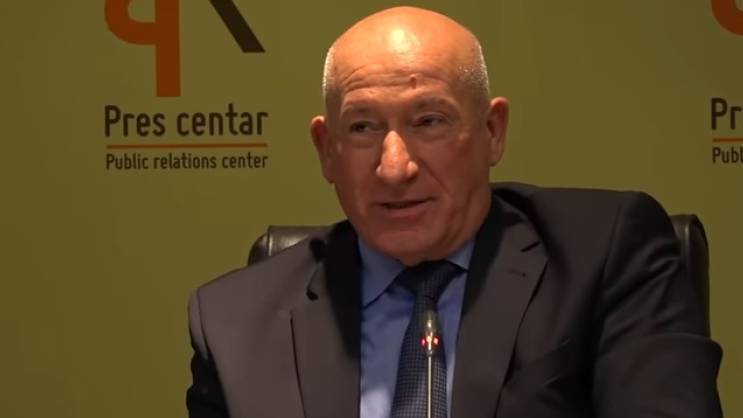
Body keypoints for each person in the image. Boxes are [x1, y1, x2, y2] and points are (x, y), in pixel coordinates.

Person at [186, 6, 723, 418]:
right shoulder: (234, 321)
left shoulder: (604, 257)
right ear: (327, 150)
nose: (394, 168)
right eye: (363, 127)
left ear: (492, 132)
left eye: (429, 122)